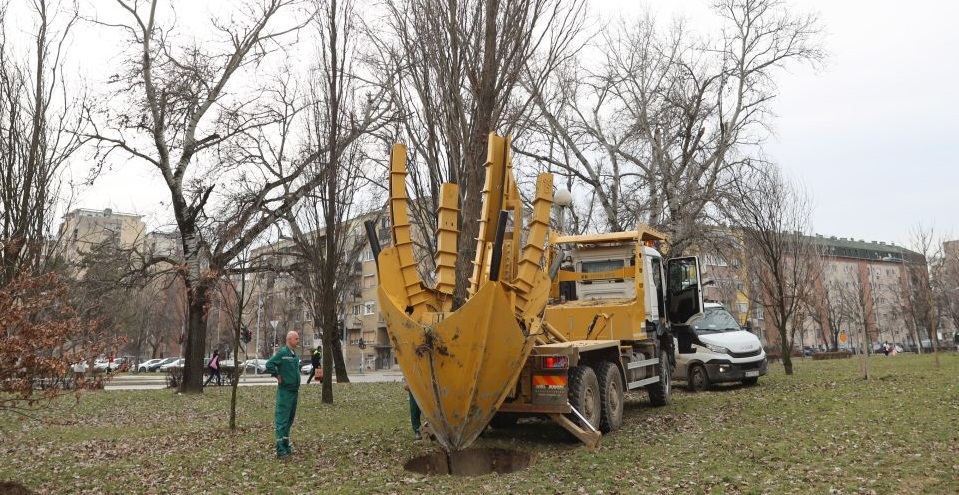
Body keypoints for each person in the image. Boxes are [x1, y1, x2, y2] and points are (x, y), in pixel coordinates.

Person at [265, 331, 300, 460]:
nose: (298, 340)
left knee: (289, 421)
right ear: (289, 339)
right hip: (285, 392)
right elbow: (269, 364)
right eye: (296, 338)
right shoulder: (282, 353)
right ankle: (280, 449)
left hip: (294, 392)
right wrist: (277, 375)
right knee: (282, 421)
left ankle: (286, 445)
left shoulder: (293, 355)